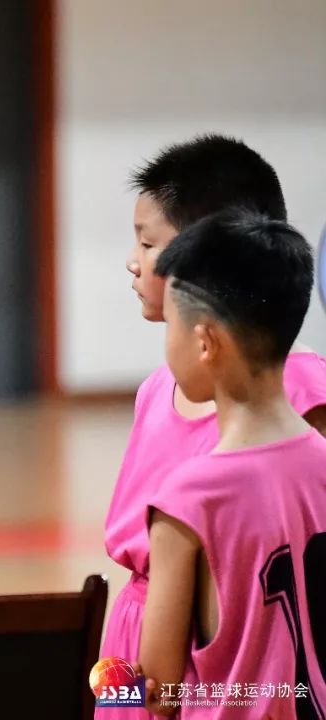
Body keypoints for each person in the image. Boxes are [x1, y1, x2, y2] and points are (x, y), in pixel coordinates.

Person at [100, 135, 326, 719]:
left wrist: (109, 686)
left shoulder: (190, 497)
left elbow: (161, 689)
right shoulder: (158, 390)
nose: (134, 259)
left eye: (150, 244)